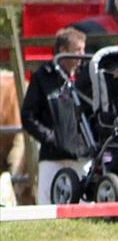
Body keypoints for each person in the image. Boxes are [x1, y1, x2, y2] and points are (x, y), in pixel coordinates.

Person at [19, 27, 90, 204]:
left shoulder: (87, 77)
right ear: (62, 51)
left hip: (82, 154)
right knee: (47, 205)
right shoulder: (43, 77)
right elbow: (28, 116)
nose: (82, 55)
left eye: (83, 49)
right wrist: (51, 138)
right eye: (77, 50)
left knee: (86, 206)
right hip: (52, 156)